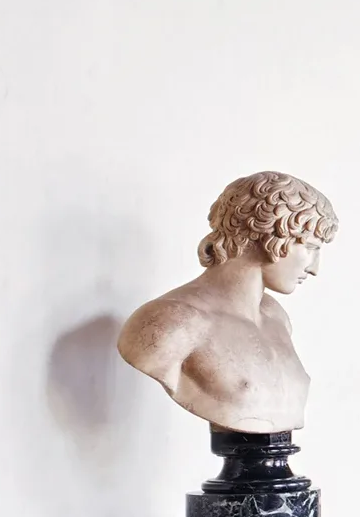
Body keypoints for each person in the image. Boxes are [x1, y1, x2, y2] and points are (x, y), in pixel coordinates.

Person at [118, 173, 339, 434]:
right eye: (311, 247)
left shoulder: (275, 317)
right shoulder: (169, 322)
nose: (314, 269)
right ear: (272, 235)